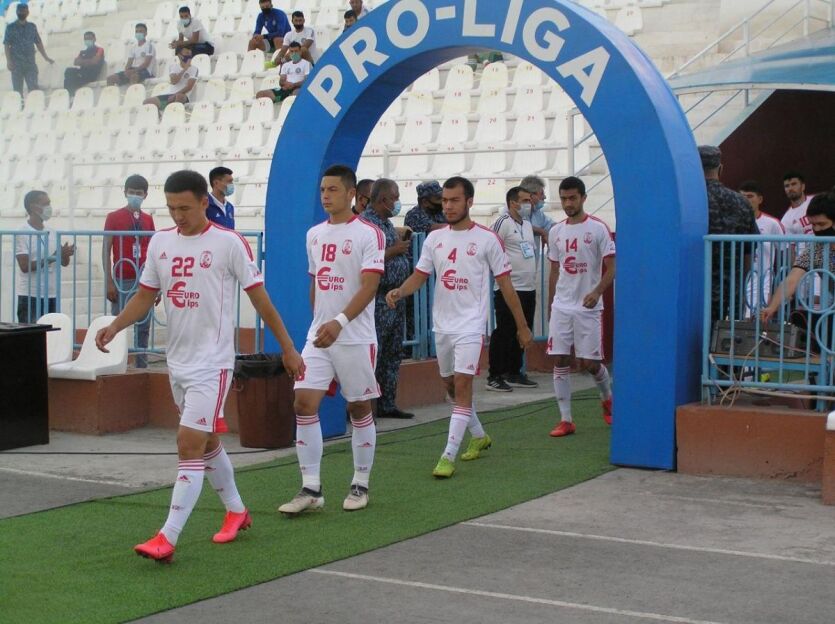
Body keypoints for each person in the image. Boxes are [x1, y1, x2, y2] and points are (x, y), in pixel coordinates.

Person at [95, 170, 304, 562]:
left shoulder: (228, 243)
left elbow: (260, 299)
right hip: (178, 363)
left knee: (188, 443)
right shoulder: (161, 242)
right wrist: (116, 326)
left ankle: (167, 537)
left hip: (213, 364)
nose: (178, 216)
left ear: (204, 202)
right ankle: (237, 511)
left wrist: (289, 349)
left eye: (185, 208)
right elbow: (144, 296)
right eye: (172, 208)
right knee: (205, 443)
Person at [386, 176, 534, 478]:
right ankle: (479, 435)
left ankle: (447, 456)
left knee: (463, 386)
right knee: (451, 387)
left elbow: (506, 286)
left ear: (469, 202)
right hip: (442, 325)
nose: (448, 206)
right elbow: (420, 275)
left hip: (470, 325)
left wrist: (522, 327)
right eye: (445, 200)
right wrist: (400, 291)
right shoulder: (435, 239)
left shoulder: (487, 239)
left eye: (454, 200)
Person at [278, 164, 384, 515]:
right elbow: (316, 282)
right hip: (320, 336)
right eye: (323, 190)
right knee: (303, 404)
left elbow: (370, 286)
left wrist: (339, 322)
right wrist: (319, 324)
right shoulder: (314, 234)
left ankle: (360, 483)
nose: (325, 195)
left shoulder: (369, 234)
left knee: (359, 408)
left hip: (355, 336)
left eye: (333, 189)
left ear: (351, 193)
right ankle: (311, 488)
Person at [546, 176, 616, 438]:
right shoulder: (556, 231)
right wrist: (552, 304)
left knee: (590, 363)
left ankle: (607, 398)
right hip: (562, 306)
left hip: (588, 307)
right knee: (560, 359)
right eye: (564, 199)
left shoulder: (598, 228)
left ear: (583, 198)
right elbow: (554, 270)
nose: (568, 203)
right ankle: (566, 419)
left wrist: (597, 292)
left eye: (572, 198)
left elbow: (613, 267)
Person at [362, 179, 414, 419]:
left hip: (395, 296)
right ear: (383, 200)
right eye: (395, 197)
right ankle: (367, 406)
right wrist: (395, 250)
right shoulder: (366, 225)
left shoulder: (386, 223)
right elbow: (364, 260)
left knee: (392, 353)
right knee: (375, 353)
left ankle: (387, 403)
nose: (397, 202)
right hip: (378, 298)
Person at [487, 186, 538, 392]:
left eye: (530, 200)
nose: (529, 204)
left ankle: (514, 371)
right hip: (509, 287)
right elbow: (491, 246)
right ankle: (495, 375)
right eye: (525, 200)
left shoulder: (527, 224)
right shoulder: (503, 222)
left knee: (524, 329)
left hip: (528, 286)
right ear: (512, 203)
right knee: (505, 331)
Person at [762, 193, 835, 337]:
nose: (817, 230)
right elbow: (792, 280)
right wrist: (771, 308)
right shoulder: (816, 248)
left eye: (822, 224)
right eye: (813, 225)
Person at [102, 175, 156, 368]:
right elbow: (106, 249)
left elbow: (153, 251)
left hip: (144, 279)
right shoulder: (113, 217)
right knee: (117, 322)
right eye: (131, 192)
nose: (135, 196)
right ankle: (115, 362)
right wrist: (109, 281)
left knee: (144, 324)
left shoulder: (148, 219)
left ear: (145, 195)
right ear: (125, 192)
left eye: (138, 193)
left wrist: (156, 285)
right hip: (121, 278)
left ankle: (141, 363)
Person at [700, 145, 759, 321]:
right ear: (720, 168)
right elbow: (749, 249)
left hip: (699, 288)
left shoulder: (692, 201)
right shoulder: (742, 202)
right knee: (728, 335)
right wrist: (740, 282)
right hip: (733, 289)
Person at [15, 191, 74, 323]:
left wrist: (65, 254)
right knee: (30, 334)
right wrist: (52, 257)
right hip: (30, 295)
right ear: (33, 207)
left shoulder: (51, 232)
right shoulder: (22, 232)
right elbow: (24, 266)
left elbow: (64, 262)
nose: (49, 208)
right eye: (45, 204)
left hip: (51, 294)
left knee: (52, 333)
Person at [738, 180, 785, 316]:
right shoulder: (734, 221)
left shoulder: (772, 223)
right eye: (742, 196)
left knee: (755, 318)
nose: (745, 200)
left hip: (762, 280)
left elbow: (784, 252)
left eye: (750, 196)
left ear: (760, 199)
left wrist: (781, 283)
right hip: (738, 278)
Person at [3, 3, 53, 95]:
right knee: (17, 92)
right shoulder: (10, 28)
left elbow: (38, 42)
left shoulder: (32, 27)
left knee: (34, 90)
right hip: (16, 65)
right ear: (17, 12)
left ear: (28, 13)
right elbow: (6, 45)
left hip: (30, 64)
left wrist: (46, 57)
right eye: (20, 11)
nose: (22, 13)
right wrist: (9, 61)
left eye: (24, 11)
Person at [519, 175, 554, 248]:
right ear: (531, 195)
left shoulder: (536, 212)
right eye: (542, 193)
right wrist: (542, 232)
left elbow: (550, 224)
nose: (544, 197)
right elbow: (519, 225)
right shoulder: (514, 209)